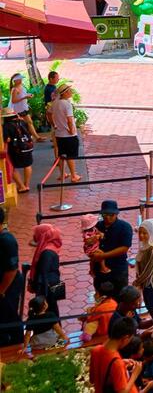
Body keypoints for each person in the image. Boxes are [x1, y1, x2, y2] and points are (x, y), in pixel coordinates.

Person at [89, 317, 147, 393]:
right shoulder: (117, 363)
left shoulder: (95, 350)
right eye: (130, 339)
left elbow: (92, 379)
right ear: (125, 338)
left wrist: (122, 363)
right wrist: (135, 374)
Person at [93, 200, 133, 296]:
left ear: (116, 214)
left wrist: (104, 255)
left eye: (111, 215)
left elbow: (124, 248)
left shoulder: (125, 227)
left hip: (118, 268)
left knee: (121, 296)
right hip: (99, 269)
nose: (108, 217)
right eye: (105, 214)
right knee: (101, 297)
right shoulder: (97, 226)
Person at [28, 223, 63, 318]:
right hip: (50, 286)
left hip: (46, 289)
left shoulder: (46, 252)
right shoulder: (51, 246)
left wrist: (41, 293)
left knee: (49, 311)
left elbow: (43, 273)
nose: (34, 236)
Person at [0, 209, 24, 348]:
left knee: (8, 316)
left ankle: (15, 346)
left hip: (9, 287)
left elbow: (12, 269)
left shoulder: (7, 241)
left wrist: (2, 290)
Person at [134, 219, 153, 320]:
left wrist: (136, 283)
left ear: (151, 233)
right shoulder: (144, 246)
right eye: (140, 232)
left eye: (145, 233)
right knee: (150, 307)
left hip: (152, 285)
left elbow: (148, 270)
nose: (141, 235)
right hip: (145, 284)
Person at [52, 84, 82, 182]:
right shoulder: (67, 104)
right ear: (65, 93)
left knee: (61, 155)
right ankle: (73, 175)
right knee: (70, 156)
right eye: (69, 90)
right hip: (68, 135)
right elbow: (69, 119)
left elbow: (48, 114)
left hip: (59, 134)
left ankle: (62, 174)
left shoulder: (55, 103)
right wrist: (72, 129)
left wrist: (54, 125)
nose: (71, 91)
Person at [3, 107, 34, 193]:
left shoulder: (6, 126)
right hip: (27, 147)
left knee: (12, 167)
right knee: (27, 165)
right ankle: (26, 185)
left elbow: (7, 139)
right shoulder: (23, 122)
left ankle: (21, 186)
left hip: (15, 150)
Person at [9, 73, 41, 141]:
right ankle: (28, 138)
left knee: (29, 122)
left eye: (21, 79)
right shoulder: (14, 89)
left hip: (23, 108)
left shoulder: (22, 86)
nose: (21, 80)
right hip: (17, 110)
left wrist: (28, 95)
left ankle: (37, 137)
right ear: (15, 81)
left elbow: (23, 95)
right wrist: (24, 97)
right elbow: (13, 101)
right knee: (22, 124)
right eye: (19, 79)